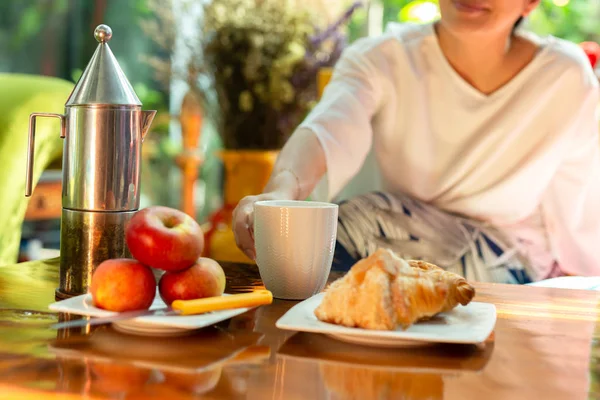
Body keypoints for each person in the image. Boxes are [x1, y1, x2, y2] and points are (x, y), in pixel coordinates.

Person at [232, 0, 600, 284]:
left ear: (531, 3)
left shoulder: (564, 76)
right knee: (311, 241)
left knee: (358, 222)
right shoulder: (381, 58)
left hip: (509, 262)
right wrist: (281, 192)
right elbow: (328, 128)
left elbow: (580, 198)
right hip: (394, 251)